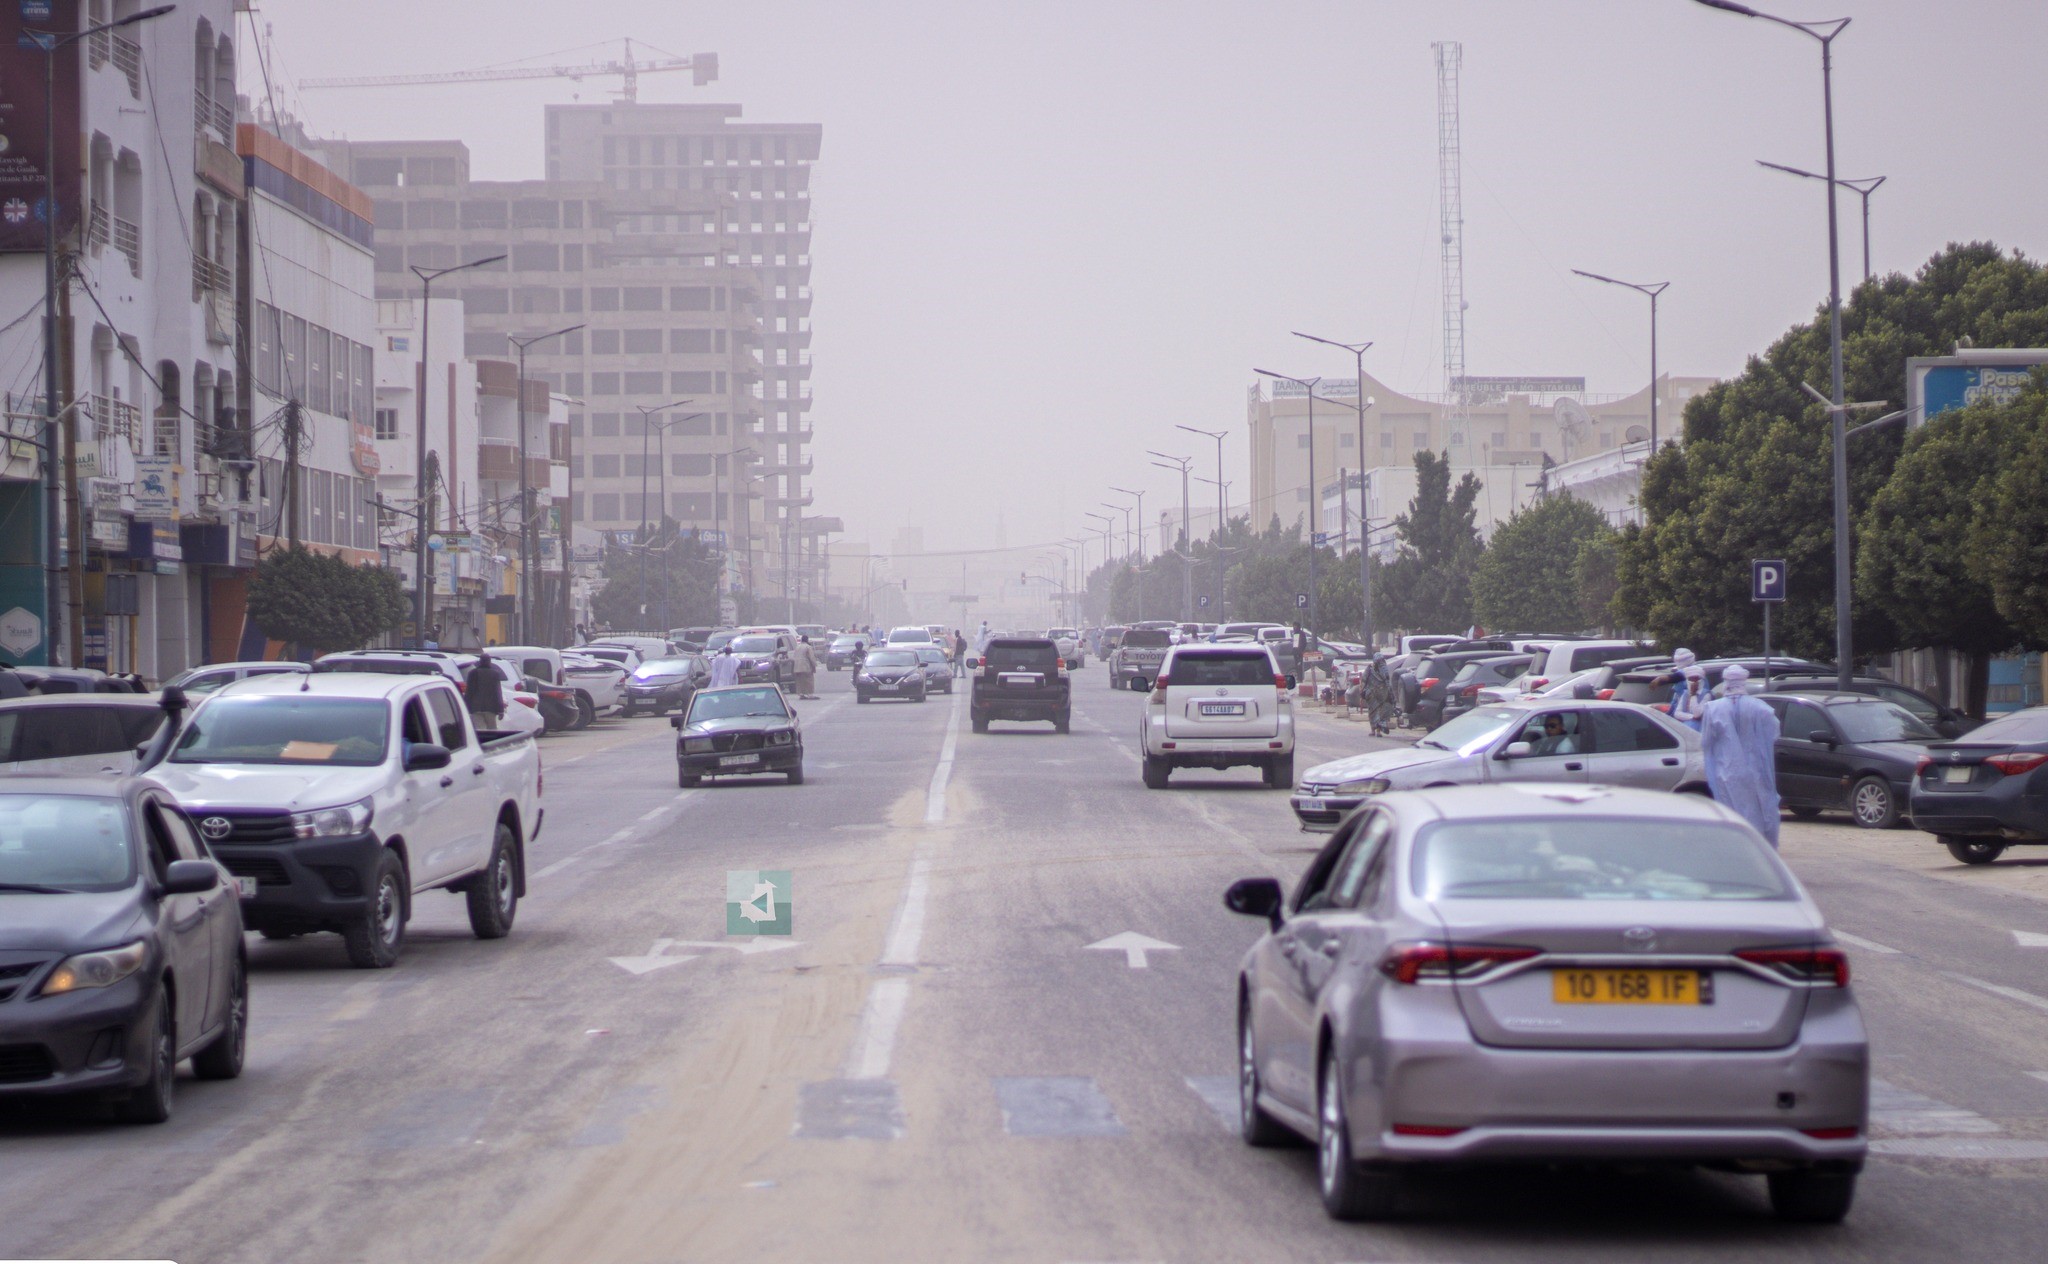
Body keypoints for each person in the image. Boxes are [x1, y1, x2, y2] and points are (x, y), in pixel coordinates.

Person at [1700, 663, 1782, 847]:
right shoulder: (1760, 708)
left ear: (1725, 681)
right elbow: (1774, 733)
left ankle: (1736, 851)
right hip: (1755, 772)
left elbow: (1706, 741)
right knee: (1756, 814)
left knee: (1731, 814)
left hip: (1726, 772)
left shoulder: (1713, 708)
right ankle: (1757, 851)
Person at [465, 652, 505, 732]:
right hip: (491, 709)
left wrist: (466, 707)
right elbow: (498, 692)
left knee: (480, 731)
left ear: (480, 661)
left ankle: (481, 744)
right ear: (489, 661)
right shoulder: (495, 674)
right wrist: (501, 710)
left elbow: (469, 692)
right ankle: (491, 744)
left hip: (476, 708)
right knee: (492, 731)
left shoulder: (472, 673)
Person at [1672, 665, 1709, 731]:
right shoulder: (1686, 693)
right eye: (1691, 679)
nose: (1694, 682)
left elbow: (1697, 713)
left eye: (1696, 679)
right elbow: (1677, 713)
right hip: (1686, 728)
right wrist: (1692, 717)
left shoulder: (1707, 694)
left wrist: (1693, 695)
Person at [791, 635, 819, 701]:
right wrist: (814, 665)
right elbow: (811, 658)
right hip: (805, 666)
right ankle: (810, 694)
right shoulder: (808, 647)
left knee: (800, 681)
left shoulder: (797, 647)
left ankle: (801, 694)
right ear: (807, 640)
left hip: (797, 666)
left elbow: (794, 657)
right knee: (809, 680)